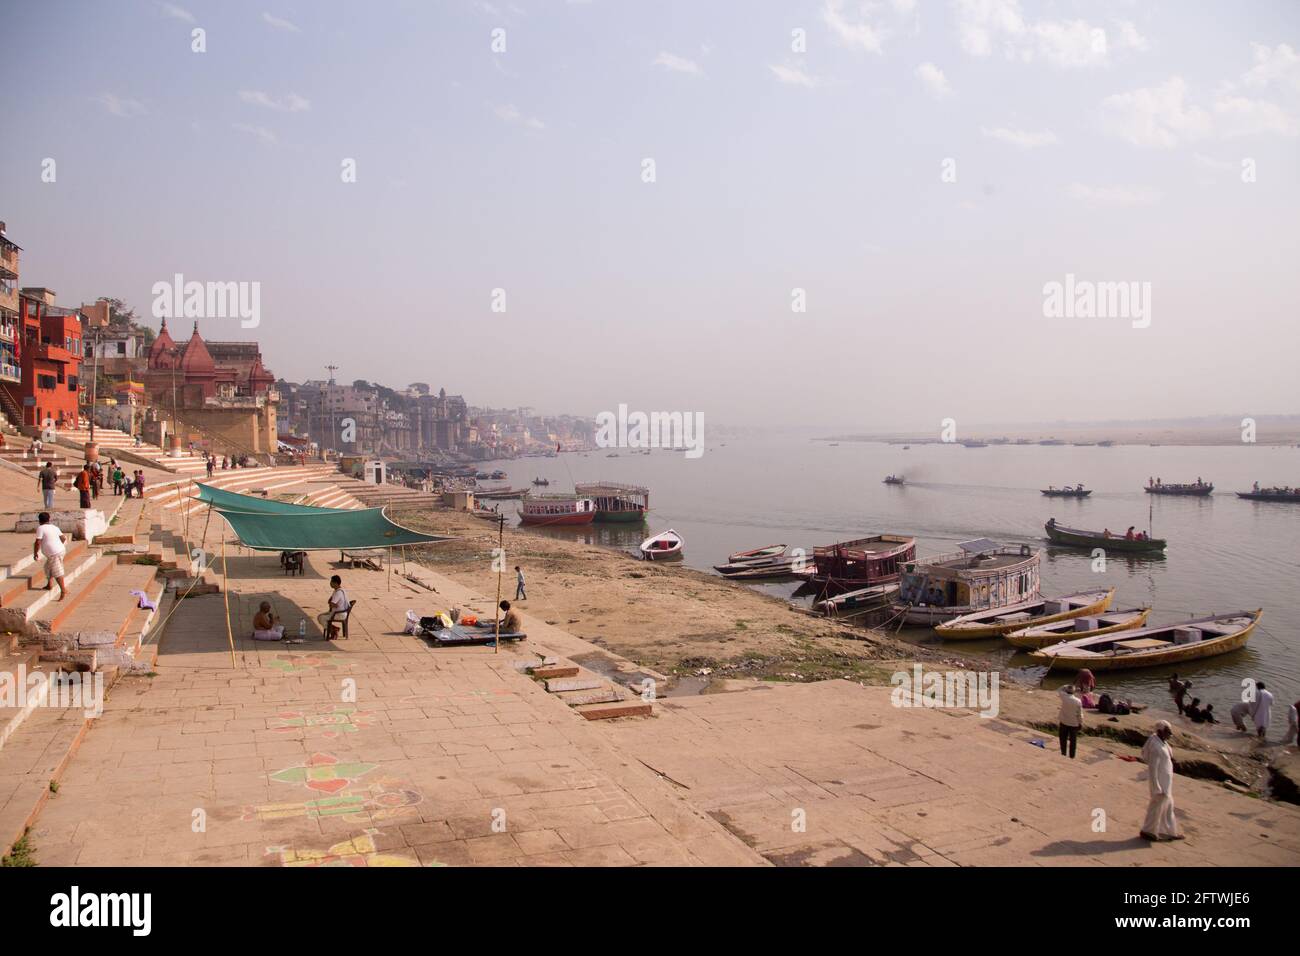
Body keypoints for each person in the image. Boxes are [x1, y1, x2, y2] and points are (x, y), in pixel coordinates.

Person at [1140, 721, 1182, 842]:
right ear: (1159, 731)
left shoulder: (1161, 742)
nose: (1169, 734)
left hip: (1166, 781)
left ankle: (1169, 831)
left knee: (1167, 807)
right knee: (1156, 807)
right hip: (1160, 783)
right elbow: (1152, 769)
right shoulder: (1155, 746)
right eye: (1167, 732)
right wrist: (1156, 786)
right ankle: (1148, 831)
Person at [32, 512, 67, 601]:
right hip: (60, 550)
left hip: (55, 553)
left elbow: (38, 542)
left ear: (39, 520)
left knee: (57, 571)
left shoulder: (40, 528)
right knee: (47, 567)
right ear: (49, 519)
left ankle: (63, 590)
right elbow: (63, 538)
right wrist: (58, 545)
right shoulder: (54, 527)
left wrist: (35, 553)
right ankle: (49, 584)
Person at [316, 575, 349, 639]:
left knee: (321, 618)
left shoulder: (338, 593)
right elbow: (330, 601)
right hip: (339, 612)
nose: (330, 584)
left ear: (336, 583)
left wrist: (332, 604)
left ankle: (333, 631)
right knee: (320, 615)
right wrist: (332, 603)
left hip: (338, 614)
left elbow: (332, 603)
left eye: (331, 582)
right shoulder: (340, 590)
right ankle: (334, 628)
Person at [1058, 684, 1082, 759]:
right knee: (1073, 741)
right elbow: (1080, 714)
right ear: (1074, 692)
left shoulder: (1064, 697)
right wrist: (1080, 723)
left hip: (1064, 721)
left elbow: (1060, 689)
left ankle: (1063, 753)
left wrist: (1066, 685)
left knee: (1063, 739)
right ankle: (1072, 756)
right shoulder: (1078, 701)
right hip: (1074, 723)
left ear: (1066, 690)